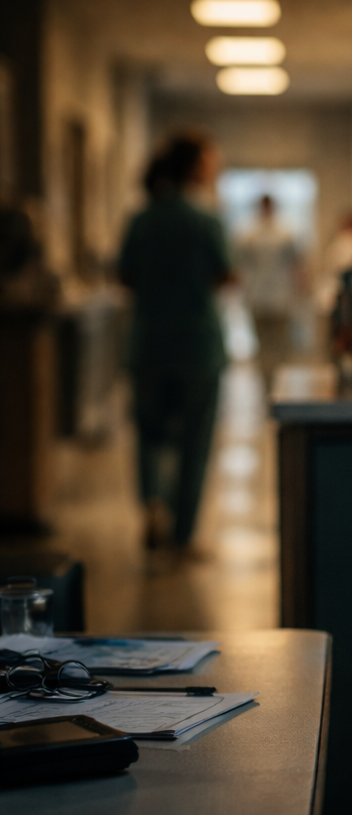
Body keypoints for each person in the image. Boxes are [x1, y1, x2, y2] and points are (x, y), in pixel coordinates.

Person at [119, 132, 231, 558]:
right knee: (193, 444)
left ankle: (152, 503)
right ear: (196, 166)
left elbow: (125, 276)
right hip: (198, 347)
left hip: (149, 342)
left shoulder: (143, 219)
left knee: (150, 436)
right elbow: (225, 274)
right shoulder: (205, 220)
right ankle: (182, 536)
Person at [233, 194, 303, 383]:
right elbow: (242, 268)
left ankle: (274, 383)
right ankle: (270, 383)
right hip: (263, 295)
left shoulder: (279, 235)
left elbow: (295, 267)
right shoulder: (252, 236)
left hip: (274, 295)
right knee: (270, 345)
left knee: (275, 344)